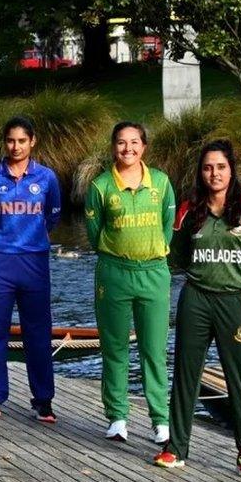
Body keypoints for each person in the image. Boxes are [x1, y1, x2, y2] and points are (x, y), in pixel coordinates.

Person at [154, 140, 241, 479]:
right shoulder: (190, 209)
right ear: (200, 172)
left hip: (236, 302)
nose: (214, 173)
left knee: (240, 379)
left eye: (220, 167)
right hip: (197, 299)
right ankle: (176, 448)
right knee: (185, 374)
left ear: (231, 170)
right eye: (207, 167)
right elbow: (176, 255)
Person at [85, 121, 175, 442]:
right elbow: (96, 237)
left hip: (154, 273)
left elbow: (167, 227)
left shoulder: (162, 184)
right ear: (113, 147)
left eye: (134, 142)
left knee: (154, 350)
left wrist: (153, 251)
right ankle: (117, 417)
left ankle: (160, 420)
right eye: (121, 143)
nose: (128, 149)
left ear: (144, 146)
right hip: (114, 273)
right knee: (115, 347)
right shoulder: (100, 187)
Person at [0, 116, 61, 421]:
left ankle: (43, 400)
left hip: (34, 261)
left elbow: (52, 216)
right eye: (11, 140)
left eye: (22, 141)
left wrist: (31, 237)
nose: (16, 146)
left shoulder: (47, 178)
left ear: (32, 141)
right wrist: (5, 236)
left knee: (37, 333)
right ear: (5, 142)